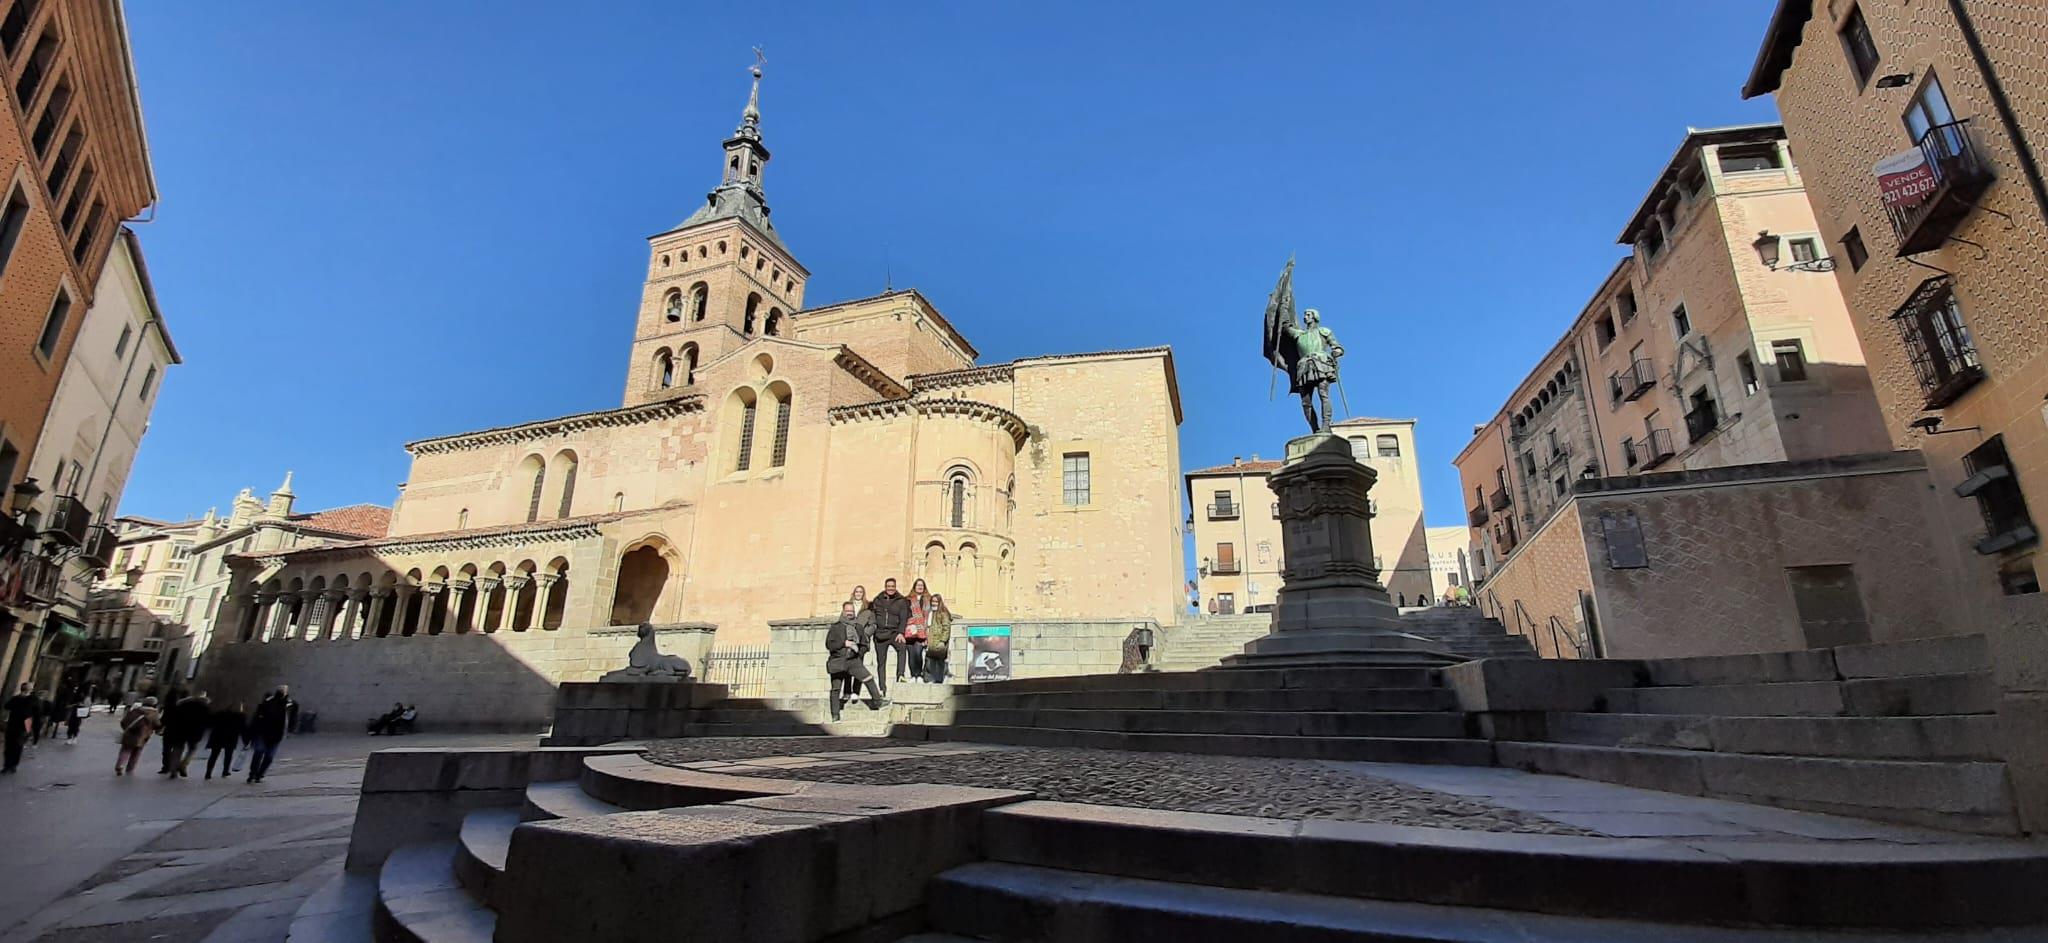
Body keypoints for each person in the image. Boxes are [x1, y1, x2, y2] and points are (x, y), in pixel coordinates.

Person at [824, 602, 887, 721]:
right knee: (836, 688)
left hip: (853, 660)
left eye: (852, 611)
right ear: (843, 612)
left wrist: (858, 652)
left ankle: (877, 701)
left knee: (868, 678)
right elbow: (829, 644)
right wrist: (844, 644)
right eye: (847, 611)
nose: (850, 613)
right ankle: (835, 714)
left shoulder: (858, 627)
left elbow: (864, 644)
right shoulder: (836, 627)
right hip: (838, 660)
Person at [246, 686, 296, 783]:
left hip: (277, 735)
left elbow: (292, 718)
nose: (282, 692)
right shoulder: (268, 702)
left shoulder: (289, 704)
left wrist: (290, 729)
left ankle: (259, 774)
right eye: (280, 690)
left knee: (269, 756)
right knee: (259, 751)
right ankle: (252, 773)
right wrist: (253, 730)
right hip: (263, 732)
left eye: (283, 691)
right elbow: (257, 716)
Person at [869, 578, 910, 696]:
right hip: (880, 634)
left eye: (892, 586)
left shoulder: (901, 601)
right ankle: (882, 687)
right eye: (888, 586)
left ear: (895, 587)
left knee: (902, 648)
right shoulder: (878, 600)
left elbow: (904, 617)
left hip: (894, 632)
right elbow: (872, 615)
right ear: (885, 587)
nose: (890, 588)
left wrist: (901, 632)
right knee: (881, 662)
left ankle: (900, 675)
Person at [161, 691, 211, 777]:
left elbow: (175, 717)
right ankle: (183, 764)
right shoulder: (205, 707)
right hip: (195, 732)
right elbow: (208, 721)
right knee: (192, 749)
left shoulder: (183, 705)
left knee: (177, 749)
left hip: (180, 730)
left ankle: (173, 770)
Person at [839, 586, 874, 705]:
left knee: (858, 667)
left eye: (861, 592)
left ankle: (856, 692)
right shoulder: (848, 607)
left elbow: (873, 625)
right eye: (857, 592)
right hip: (849, 641)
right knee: (847, 667)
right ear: (853, 593)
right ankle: (847, 691)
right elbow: (841, 621)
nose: (858, 594)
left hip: (861, 642)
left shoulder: (868, 609)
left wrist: (865, 634)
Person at [115, 697, 160, 776]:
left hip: (129, 733)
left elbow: (124, 721)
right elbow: (157, 725)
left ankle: (120, 765)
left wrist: (127, 729)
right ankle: (130, 769)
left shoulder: (135, 710)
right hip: (142, 736)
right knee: (136, 752)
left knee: (125, 750)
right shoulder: (154, 713)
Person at [204, 702, 246, 780]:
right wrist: (245, 741)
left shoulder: (219, 714)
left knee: (214, 755)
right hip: (230, 737)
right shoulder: (238, 717)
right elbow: (242, 729)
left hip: (218, 736)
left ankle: (208, 772)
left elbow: (210, 723)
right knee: (228, 755)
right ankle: (225, 771)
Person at [902, 578, 932, 684]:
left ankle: (919, 674)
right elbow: (905, 614)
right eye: (918, 585)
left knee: (918, 653)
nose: (920, 587)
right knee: (910, 654)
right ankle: (913, 675)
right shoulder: (908, 600)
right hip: (910, 630)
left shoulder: (928, 600)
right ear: (914, 587)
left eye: (921, 585)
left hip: (921, 631)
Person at [3, 684, 38, 774]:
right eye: (30, 687)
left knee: (18, 746)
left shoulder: (32, 699)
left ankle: (13, 765)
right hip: (12, 724)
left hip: (24, 725)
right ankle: (7, 765)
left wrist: (29, 728)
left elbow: (35, 713)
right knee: (8, 746)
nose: (31, 689)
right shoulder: (16, 698)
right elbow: (7, 706)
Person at [924, 594, 953, 684]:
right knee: (929, 660)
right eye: (933, 601)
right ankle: (930, 679)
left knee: (939, 662)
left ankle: (939, 680)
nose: (934, 603)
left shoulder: (943, 613)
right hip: (931, 642)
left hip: (939, 642)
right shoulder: (931, 613)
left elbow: (946, 628)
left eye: (936, 601)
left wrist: (942, 641)